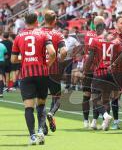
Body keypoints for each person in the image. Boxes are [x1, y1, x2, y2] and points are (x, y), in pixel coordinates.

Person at [11, 12, 56, 145]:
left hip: (27, 75)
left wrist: (25, 58)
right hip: (42, 74)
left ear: (25, 22)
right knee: (41, 105)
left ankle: (32, 136)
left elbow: (13, 59)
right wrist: (47, 64)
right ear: (37, 21)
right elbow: (52, 53)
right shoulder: (43, 34)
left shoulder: (19, 37)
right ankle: (41, 131)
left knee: (28, 107)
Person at [83, 21, 115, 131]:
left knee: (95, 98)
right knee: (106, 99)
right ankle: (100, 123)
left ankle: (105, 116)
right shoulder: (113, 40)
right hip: (111, 73)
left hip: (100, 72)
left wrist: (85, 71)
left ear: (97, 30)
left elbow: (90, 58)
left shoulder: (95, 40)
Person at [40, 10, 67, 133]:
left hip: (39, 70)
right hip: (54, 70)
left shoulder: (38, 33)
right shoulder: (58, 34)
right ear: (55, 21)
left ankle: (43, 125)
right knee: (57, 98)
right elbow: (64, 52)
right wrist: (60, 59)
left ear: (43, 20)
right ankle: (51, 113)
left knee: (40, 100)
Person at [83, 16, 105, 129]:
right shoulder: (104, 36)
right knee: (99, 96)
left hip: (89, 67)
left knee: (87, 95)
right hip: (98, 68)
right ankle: (95, 121)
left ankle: (87, 121)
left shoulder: (88, 34)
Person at [62, 28, 79, 92]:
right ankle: (57, 86)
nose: (65, 34)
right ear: (62, 33)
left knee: (68, 73)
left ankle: (67, 86)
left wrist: (74, 53)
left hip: (69, 59)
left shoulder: (72, 39)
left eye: (66, 33)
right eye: (64, 32)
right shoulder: (60, 39)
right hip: (61, 59)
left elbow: (79, 46)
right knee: (59, 73)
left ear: (68, 33)